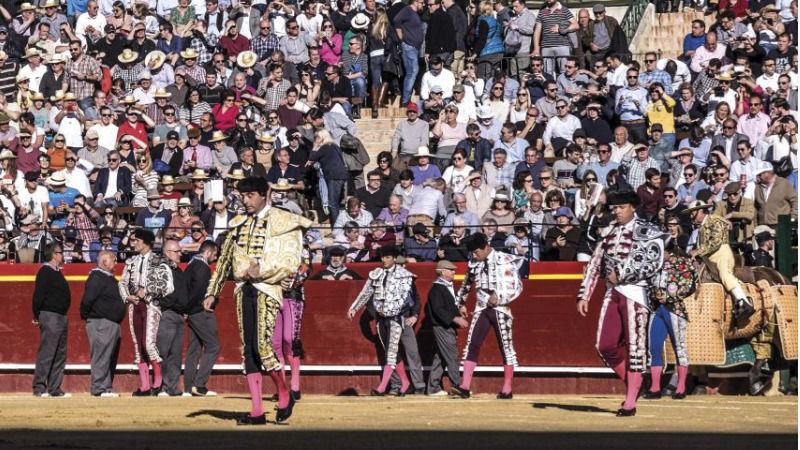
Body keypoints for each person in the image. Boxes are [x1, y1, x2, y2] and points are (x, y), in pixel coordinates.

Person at [203, 177, 311, 425]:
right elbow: (225, 260)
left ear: (266, 194)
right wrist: (213, 291)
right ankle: (257, 411)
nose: (246, 200)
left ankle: (284, 393)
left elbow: (291, 260)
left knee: (263, 347)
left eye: (251, 195)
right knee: (248, 351)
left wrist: (261, 270)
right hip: (243, 289)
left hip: (267, 289)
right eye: (243, 196)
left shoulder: (284, 221)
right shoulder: (238, 224)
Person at [576, 189, 665, 417]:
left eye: (621, 207)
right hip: (612, 293)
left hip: (636, 293)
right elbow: (595, 263)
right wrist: (584, 294)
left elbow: (653, 261)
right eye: (614, 208)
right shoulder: (608, 232)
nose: (617, 212)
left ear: (632, 207)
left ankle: (630, 402)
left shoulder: (648, 230)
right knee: (604, 346)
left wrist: (623, 274)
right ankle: (634, 384)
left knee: (636, 348)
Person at [450, 233, 523, 400]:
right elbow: (466, 283)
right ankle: (465, 386)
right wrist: (460, 303)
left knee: (505, 347)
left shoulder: (504, 260)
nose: (474, 256)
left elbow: (516, 285)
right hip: (481, 307)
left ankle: (507, 388)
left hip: (501, 309)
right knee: (472, 344)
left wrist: (500, 296)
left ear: (485, 247)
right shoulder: (475, 262)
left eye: (476, 252)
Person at [347, 245, 417, 396]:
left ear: (394, 258)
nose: (384, 260)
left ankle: (382, 387)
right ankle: (405, 383)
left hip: (395, 319)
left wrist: (393, 310)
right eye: (382, 257)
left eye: (387, 257)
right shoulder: (376, 274)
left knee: (391, 353)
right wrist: (354, 307)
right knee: (391, 352)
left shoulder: (404, 275)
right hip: (381, 320)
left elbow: (408, 299)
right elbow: (366, 292)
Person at [119, 229, 174, 397]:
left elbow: (168, 285)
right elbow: (122, 282)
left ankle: (157, 383)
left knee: (148, 344)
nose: (132, 243)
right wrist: (127, 296)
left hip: (151, 305)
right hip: (134, 306)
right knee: (138, 346)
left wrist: (148, 290)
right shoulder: (131, 261)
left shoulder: (159, 261)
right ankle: (144, 385)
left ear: (146, 242)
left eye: (136, 240)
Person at [683, 199, 755, 320]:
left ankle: (743, 301)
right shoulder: (701, 227)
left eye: (692, 213)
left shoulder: (715, 220)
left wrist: (698, 251)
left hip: (721, 254)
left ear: (700, 211)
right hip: (707, 258)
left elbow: (716, 241)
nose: (691, 216)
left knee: (724, 274)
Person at [644, 240, 697, 400]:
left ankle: (681, 388)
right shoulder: (655, 263)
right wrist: (655, 295)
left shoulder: (683, 263)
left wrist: (668, 296)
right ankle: (655, 388)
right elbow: (649, 284)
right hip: (658, 309)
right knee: (653, 347)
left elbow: (689, 285)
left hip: (674, 309)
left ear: (668, 251)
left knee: (679, 347)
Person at [80, 250, 126, 397]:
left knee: (107, 356)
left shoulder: (106, 278)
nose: (116, 263)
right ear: (105, 262)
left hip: (110, 323)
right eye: (114, 260)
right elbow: (87, 301)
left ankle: (105, 387)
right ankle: (99, 388)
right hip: (101, 322)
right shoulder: (97, 277)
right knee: (101, 355)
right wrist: (91, 317)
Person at [424, 260, 469, 395]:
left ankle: (433, 387)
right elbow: (438, 309)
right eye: (451, 270)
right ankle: (456, 386)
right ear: (443, 271)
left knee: (441, 356)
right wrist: (455, 318)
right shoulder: (437, 288)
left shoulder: (446, 286)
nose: (454, 272)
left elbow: (449, 305)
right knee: (451, 355)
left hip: (446, 325)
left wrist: (460, 308)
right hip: (442, 326)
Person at [32, 243, 70, 398]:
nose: (62, 256)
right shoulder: (45, 271)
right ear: (54, 254)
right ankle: (39, 388)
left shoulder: (56, 272)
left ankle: (54, 388)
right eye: (60, 253)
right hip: (50, 315)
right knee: (47, 352)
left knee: (60, 354)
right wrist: (38, 315)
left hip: (60, 316)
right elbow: (38, 296)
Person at [184, 241, 220, 397]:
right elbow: (197, 292)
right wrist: (190, 308)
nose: (216, 257)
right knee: (213, 346)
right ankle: (199, 385)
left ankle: (188, 388)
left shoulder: (192, 264)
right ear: (207, 253)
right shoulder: (202, 267)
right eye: (214, 254)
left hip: (192, 311)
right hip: (198, 312)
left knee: (194, 348)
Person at [154, 240, 188, 397]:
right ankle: (160, 386)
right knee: (164, 352)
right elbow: (155, 292)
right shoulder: (160, 269)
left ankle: (172, 387)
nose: (180, 254)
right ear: (167, 252)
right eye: (177, 251)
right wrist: (169, 304)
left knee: (175, 353)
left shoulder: (179, 271)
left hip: (179, 316)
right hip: (166, 314)